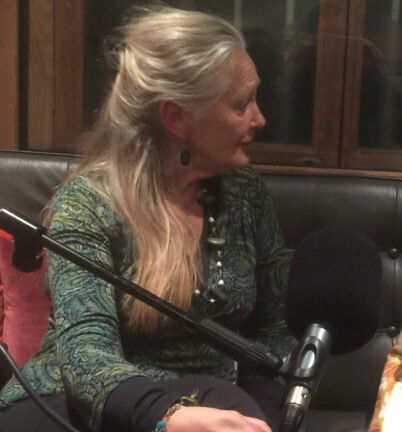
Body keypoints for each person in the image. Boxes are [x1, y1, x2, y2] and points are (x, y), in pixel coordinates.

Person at [0, 7, 294, 432]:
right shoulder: (87, 203)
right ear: (176, 117)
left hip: (210, 404)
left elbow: (274, 329)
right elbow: (86, 355)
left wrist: (262, 416)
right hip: (78, 405)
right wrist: (169, 416)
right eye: (241, 104)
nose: (259, 118)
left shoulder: (246, 194)